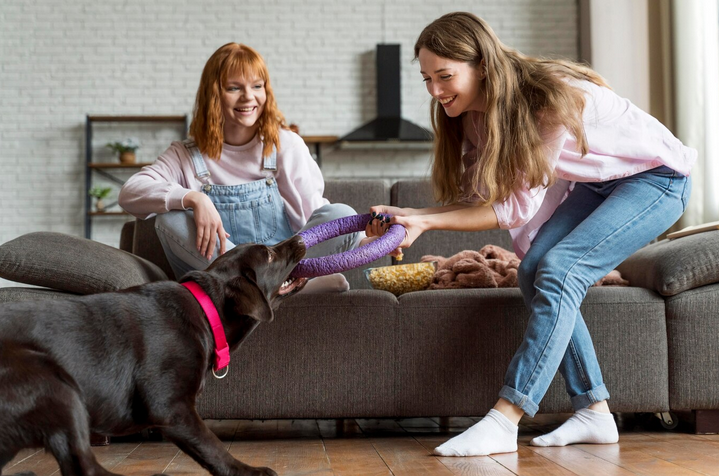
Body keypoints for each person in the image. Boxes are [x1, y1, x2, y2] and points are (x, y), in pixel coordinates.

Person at [366, 12, 695, 456]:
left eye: (445, 76)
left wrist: (423, 220)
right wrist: (411, 216)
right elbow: (481, 199)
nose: (435, 91)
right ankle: (594, 412)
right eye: (426, 78)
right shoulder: (471, 115)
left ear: (482, 65)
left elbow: (514, 208)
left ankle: (505, 418)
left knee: (558, 270)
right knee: (533, 270)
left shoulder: (546, 100)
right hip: (598, 184)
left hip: (656, 179)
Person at [119, 43, 361, 290]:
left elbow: (314, 214)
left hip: (280, 265)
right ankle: (281, 290)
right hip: (222, 280)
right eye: (234, 88)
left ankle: (267, 289)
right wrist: (195, 199)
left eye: (257, 86)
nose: (248, 97)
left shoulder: (285, 145)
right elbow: (130, 192)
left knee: (342, 215)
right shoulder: (186, 155)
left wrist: (365, 238)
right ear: (213, 95)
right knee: (168, 219)